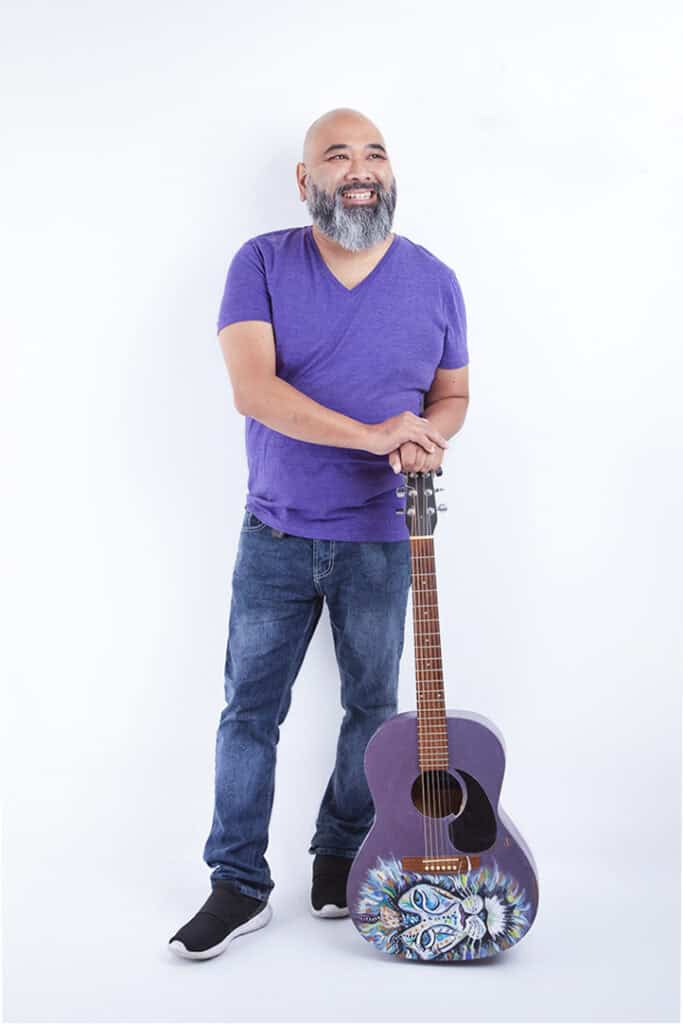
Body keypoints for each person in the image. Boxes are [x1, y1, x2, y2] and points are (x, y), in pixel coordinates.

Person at [168, 107, 470, 960]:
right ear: (307, 181)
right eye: (336, 156)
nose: (359, 168)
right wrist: (376, 434)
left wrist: (427, 434)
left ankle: (340, 855)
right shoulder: (260, 262)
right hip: (276, 532)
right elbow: (252, 390)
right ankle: (237, 882)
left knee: (372, 711)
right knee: (249, 711)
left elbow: (451, 394)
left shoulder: (435, 278)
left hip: (385, 537)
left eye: (373, 153)